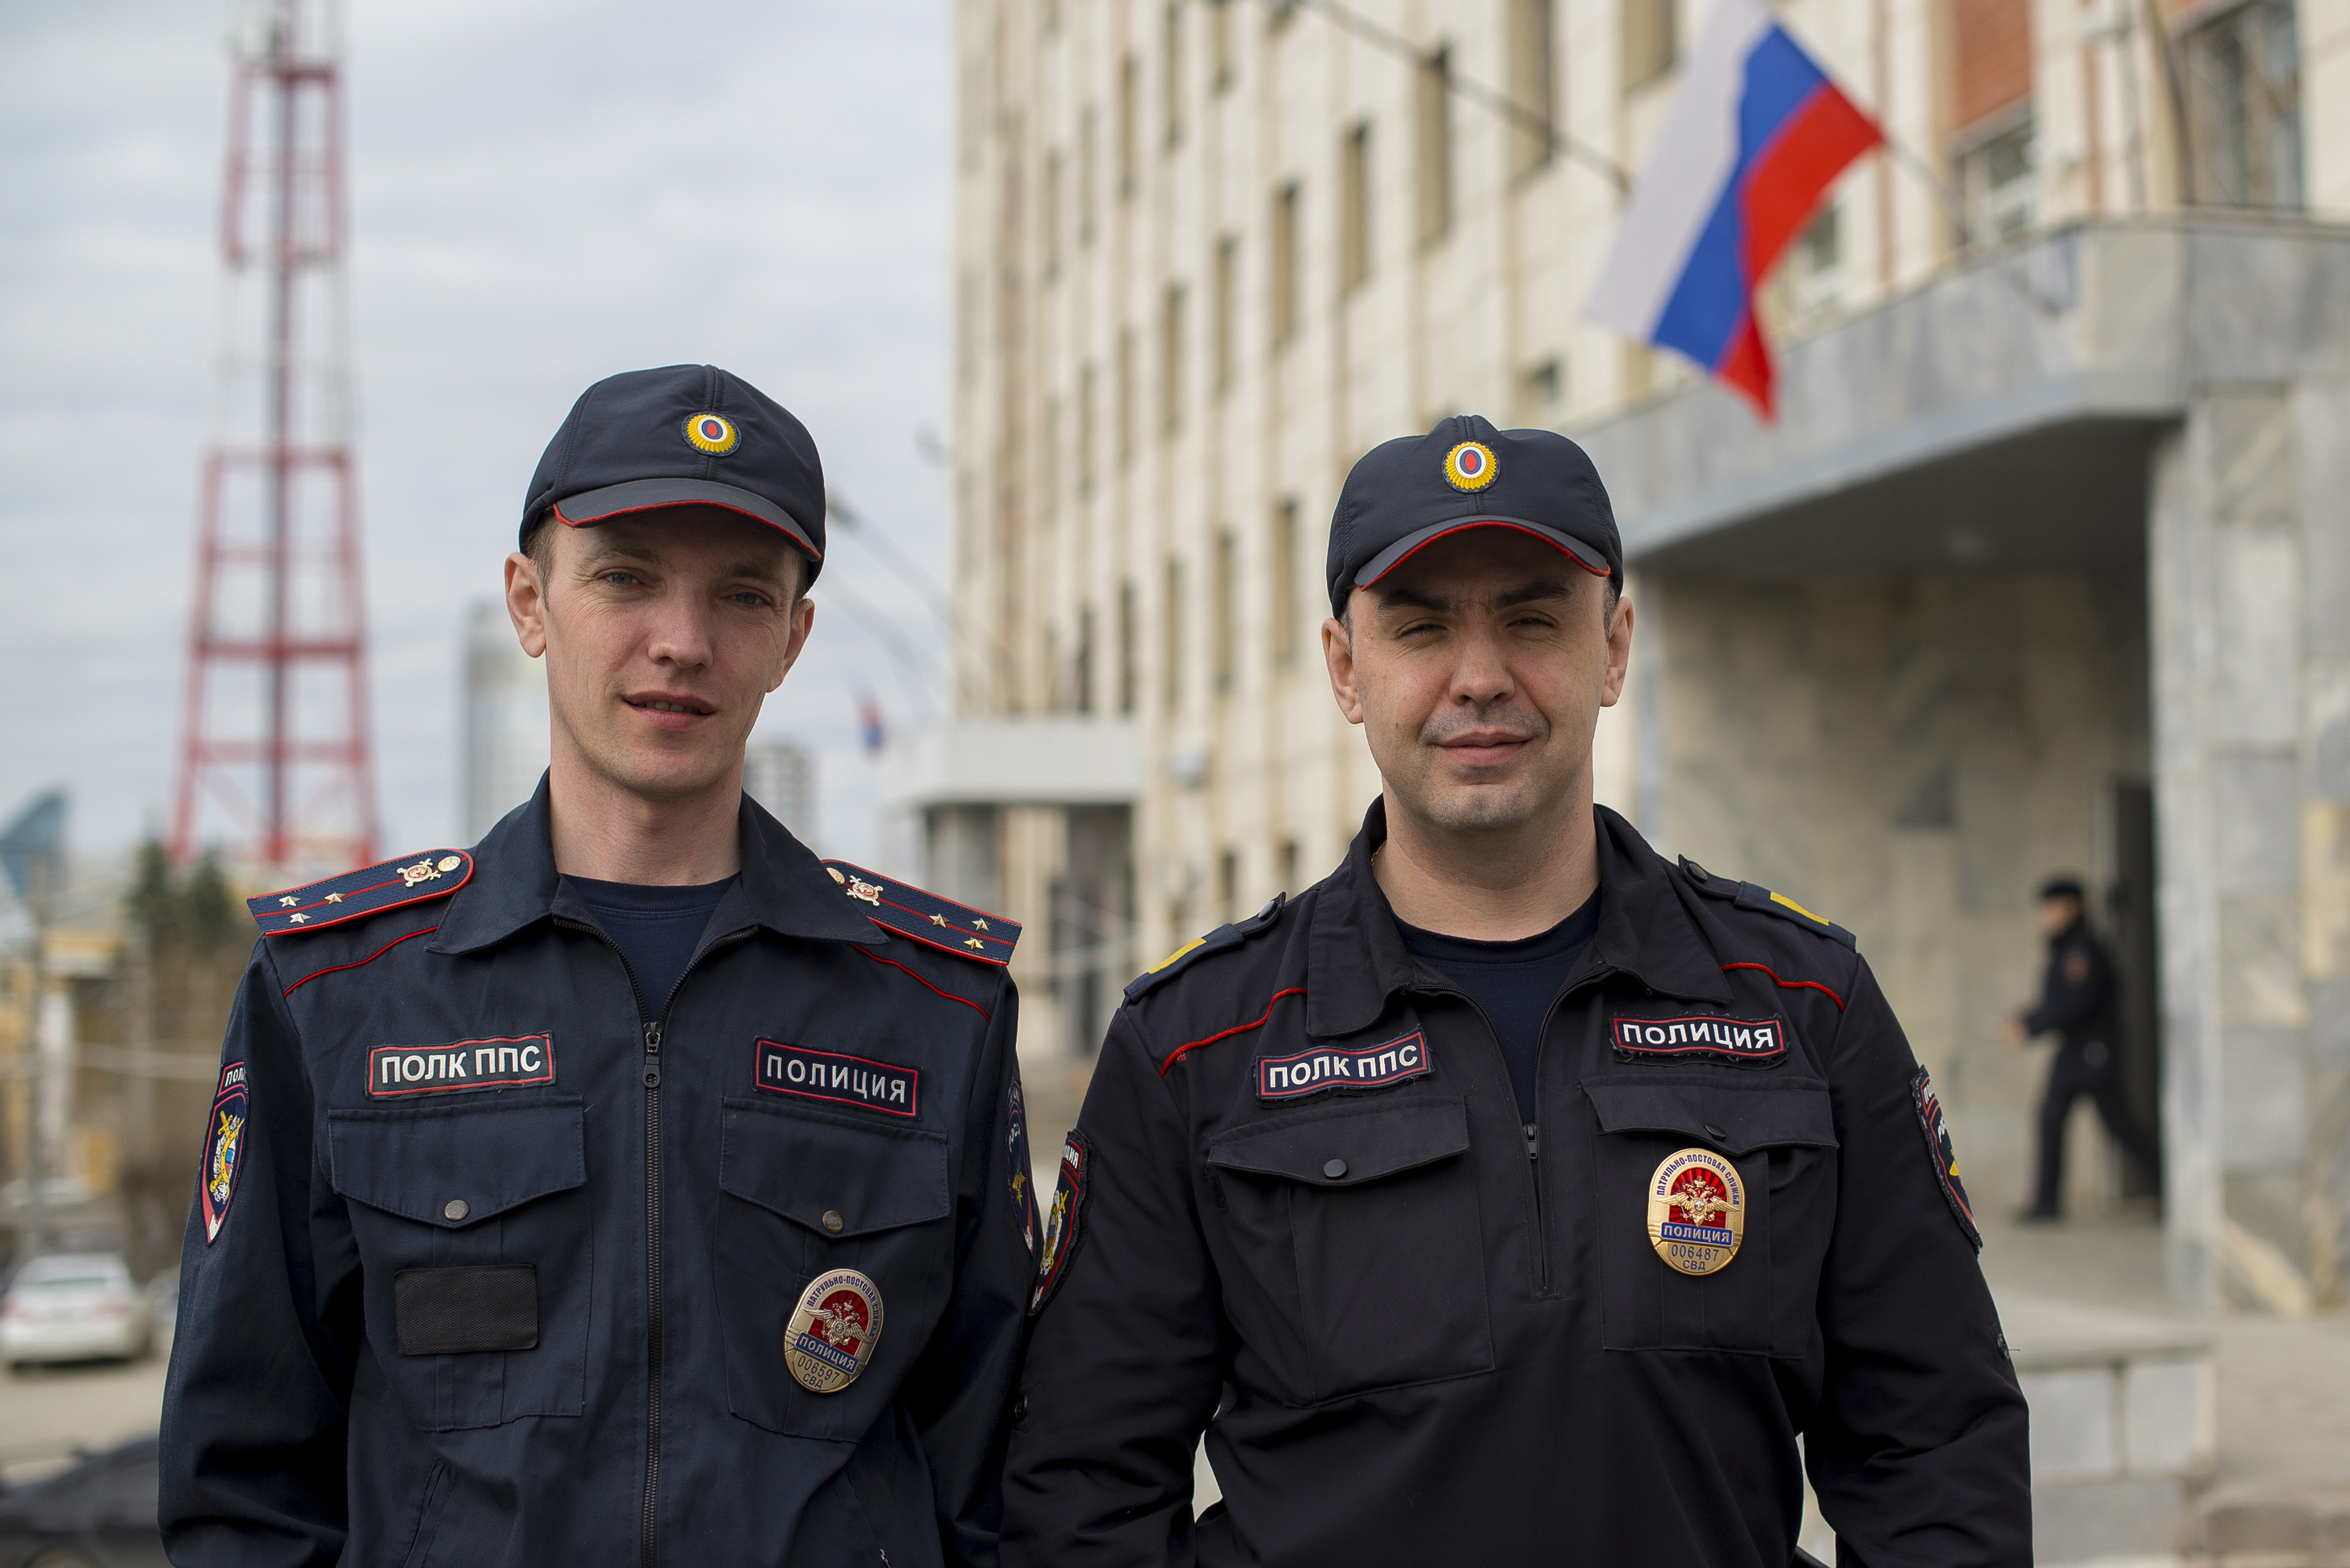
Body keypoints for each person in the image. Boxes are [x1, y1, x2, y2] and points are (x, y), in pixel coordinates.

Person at [1000, 417, 2030, 1566]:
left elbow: (1937, 1450)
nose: (1480, 677)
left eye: (1533, 618)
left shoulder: (1803, 1005)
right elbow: (1081, 1490)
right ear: (1347, 667)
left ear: (1616, 646)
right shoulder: (1197, 1044)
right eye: (1422, 625)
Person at [160, 365, 1038, 1566]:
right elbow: (240, 1483)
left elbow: (995, 1475)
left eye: (740, 596)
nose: (681, 642)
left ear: (793, 638)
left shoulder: (937, 1009)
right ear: (530, 602)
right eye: (626, 578)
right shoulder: (334, 998)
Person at [2005, 874, 2160, 1221]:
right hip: (2075, 1049)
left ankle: (2170, 1187)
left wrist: (2030, 1026)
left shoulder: (2081, 952)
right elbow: (2057, 1002)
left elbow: (2073, 1005)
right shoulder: (2066, 949)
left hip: (2092, 1050)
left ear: (2071, 907)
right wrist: (2027, 1021)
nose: (2046, 915)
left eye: (2052, 907)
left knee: (2117, 1124)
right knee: (2053, 1119)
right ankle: (2046, 1203)